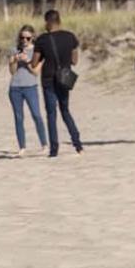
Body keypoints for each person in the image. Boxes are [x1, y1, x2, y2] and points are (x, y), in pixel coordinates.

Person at [32, 9, 84, 157]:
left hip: (49, 78)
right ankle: (78, 145)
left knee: (51, 114)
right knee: (66, 111)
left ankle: (54, 149)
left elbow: (35, 63)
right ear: (59, 20)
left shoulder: (42, 39)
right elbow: (75, 61)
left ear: (48, 22)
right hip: (65, 77)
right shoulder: (70, 37)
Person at [7, 26, 46, 153]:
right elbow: (12, 72)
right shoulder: (15, 50)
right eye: (22, 37)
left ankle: (44, 144)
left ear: (33, 37)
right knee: (18, 117)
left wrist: (28, 61)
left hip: (30, 87)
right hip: (15, 88)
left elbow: (35, 72)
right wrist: (14, 61)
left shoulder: (37, 51)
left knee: (36, 115)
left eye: (28, 38)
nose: (24, 40)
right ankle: (22, 147)